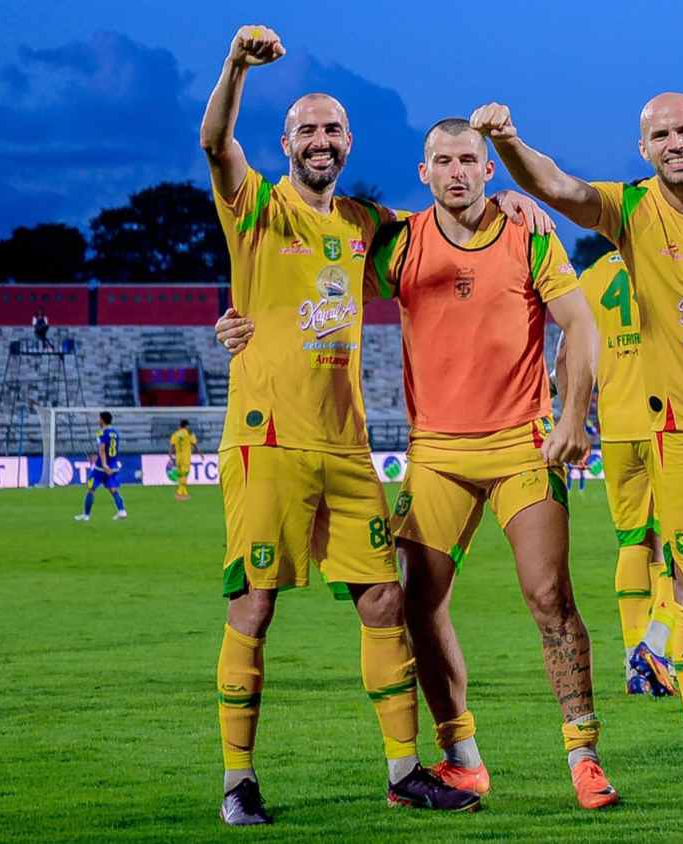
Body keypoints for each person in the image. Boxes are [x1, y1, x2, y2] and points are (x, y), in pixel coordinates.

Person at [216, 116, 618, 810]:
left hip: (521, 441)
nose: (457, 171)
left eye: (470, 159)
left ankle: (583, 753)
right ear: (424, 173)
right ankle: (457, 753)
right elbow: (312, 269)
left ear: (489, 171)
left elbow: (581, 324)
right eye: (443, 161)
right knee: (413, 604)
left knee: (549, 594)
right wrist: (236, 319)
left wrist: (576, 414)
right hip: (434, 452)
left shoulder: (527, 232)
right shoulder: (395, 244)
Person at [202, 25, 486, 823]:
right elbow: (215, 140)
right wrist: (235, 66)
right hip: (267, 443)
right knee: (254, 605)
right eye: (306, 131)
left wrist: (515, 212)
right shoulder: (256, 204)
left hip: (348, 447)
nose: (320, 141)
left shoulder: (366, 224)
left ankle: (403, 773)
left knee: (384, 603)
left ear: (348, 142)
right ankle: (237, 781)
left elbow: (449, 222)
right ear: (285, 143)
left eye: (332, 130)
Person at [470, 92, 683, 811]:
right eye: (661, 134)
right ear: (644, 149)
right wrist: (508, 144)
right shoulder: (632, 210)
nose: (676, 143)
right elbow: (558, 185)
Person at [556, 252, 676, 696]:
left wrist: (573, 419)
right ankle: (657, 644)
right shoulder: (668, 260)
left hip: (617, 428)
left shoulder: (594, 275)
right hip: (668, 420)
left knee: (633, 542)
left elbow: (567, 351)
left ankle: (635, 667)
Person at [74, 411, 127, 522]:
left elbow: (102, 450)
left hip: (101, 467)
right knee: (113, 489)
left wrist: (103, 464)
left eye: (99, 419)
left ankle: (86, 515)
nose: (98, 421)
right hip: (113, 466)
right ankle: (122, 510)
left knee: (90, 488)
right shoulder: (116, 433)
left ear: (102, 420)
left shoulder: (101, 433)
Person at [168, 419, 202, 499]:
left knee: (180, 474)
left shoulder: (175, 434)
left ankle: (183, 492)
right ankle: (181, 493)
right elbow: (194, 444)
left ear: (180, 425)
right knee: (185, 474)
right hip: (186, 457)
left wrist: (170, 454)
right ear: (186, 426)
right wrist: (200, 454)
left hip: (178, 457)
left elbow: (172, 446)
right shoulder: (189, 433)